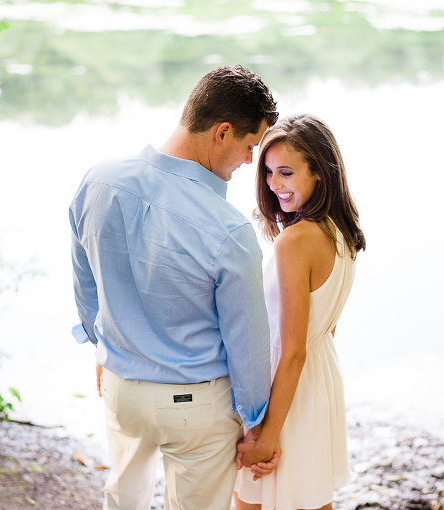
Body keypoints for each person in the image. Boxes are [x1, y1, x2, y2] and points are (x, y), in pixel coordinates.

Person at [68, 65, 280, 510]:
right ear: (222, 132)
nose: (248, 161)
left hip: (121, 386)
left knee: (123, 500)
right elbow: (248, 346)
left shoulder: (97, 181)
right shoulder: (231, 231)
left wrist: (101, 348)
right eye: (249, 146)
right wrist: (256, 423)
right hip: (197, 406)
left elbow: (85, 285)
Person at [232, 114, 366, 510]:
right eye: (269, 172)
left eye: (286, 172)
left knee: (252, 502)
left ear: (320, 172)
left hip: (285, 390)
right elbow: (326, 329)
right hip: (317, 381)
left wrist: (267, 435)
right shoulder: (341, 233)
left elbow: (292, 350)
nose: (274, 185)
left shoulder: (296, 241)